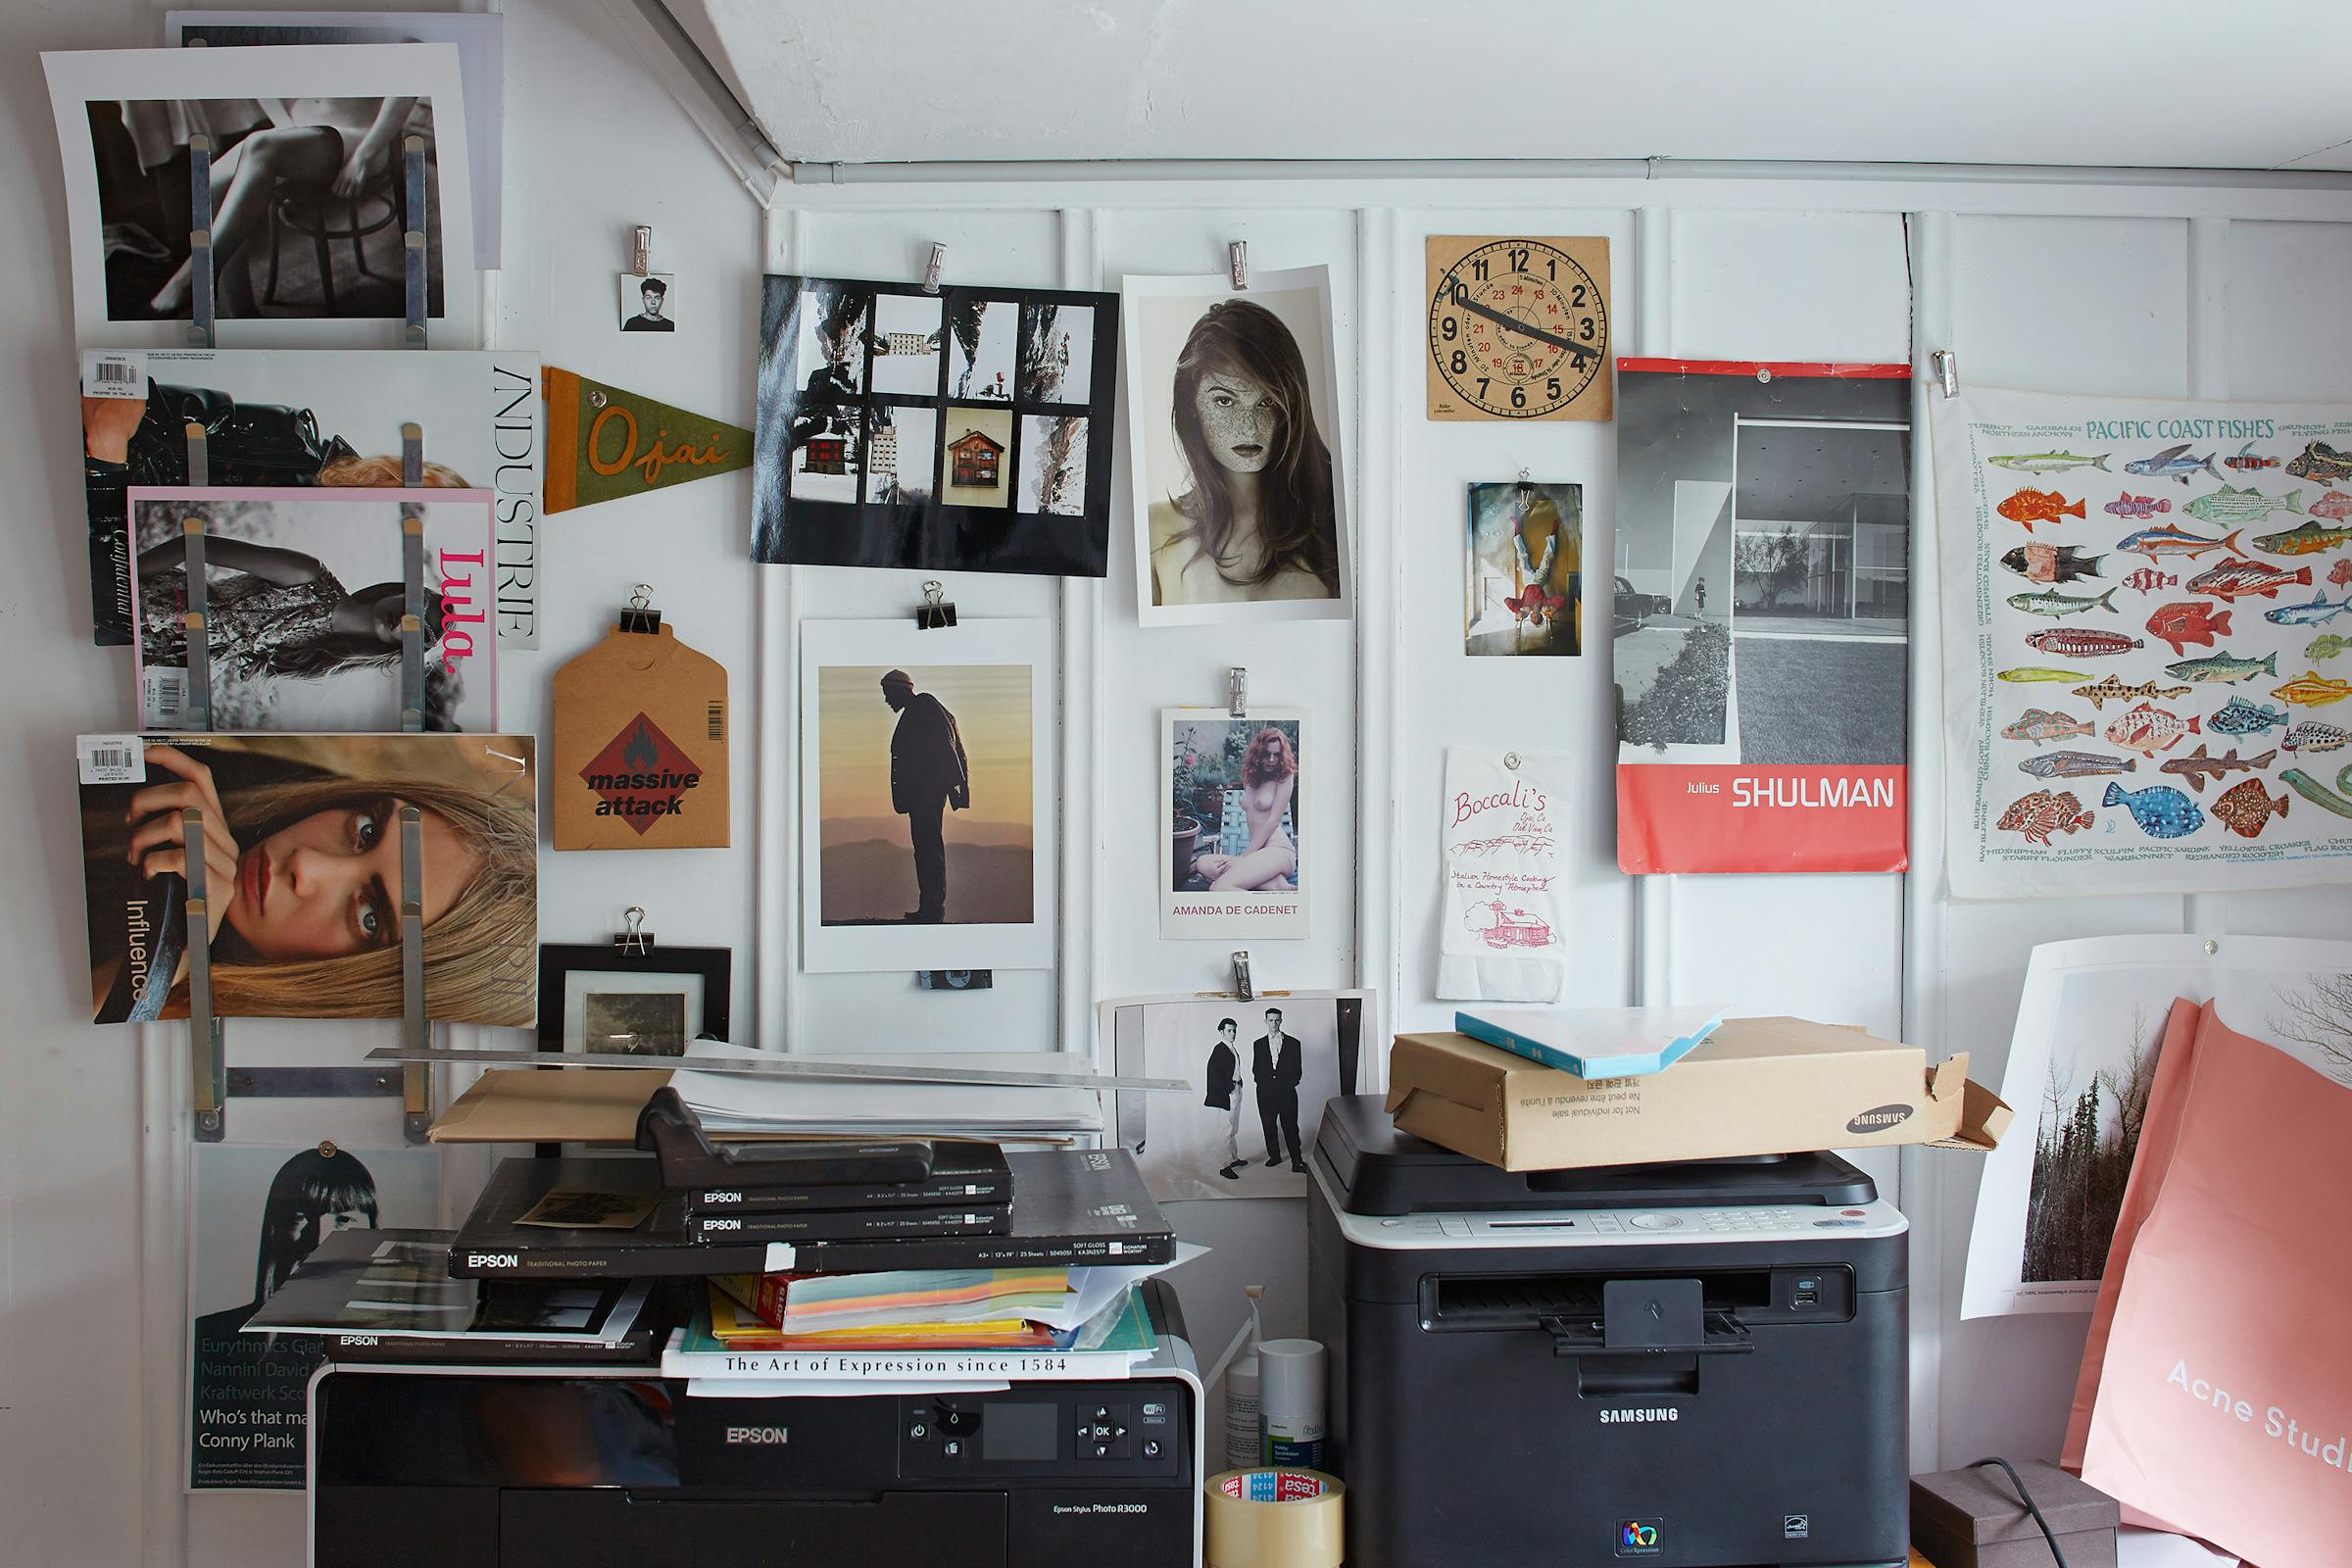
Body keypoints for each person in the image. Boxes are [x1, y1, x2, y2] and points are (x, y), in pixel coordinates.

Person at [87, 740, 536, 1024]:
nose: (307, 864)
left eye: (368, 917)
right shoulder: (199, 784)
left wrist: (156, 965)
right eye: (366, 830)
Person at [190, 1146, 379, 1486]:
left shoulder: (403, 1346)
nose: (319, 1239)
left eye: (344, 1219)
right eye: (301, 1217)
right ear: (274, 1229)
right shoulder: (209, 1336)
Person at [145, 97, 420, 319]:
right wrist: (289, 133)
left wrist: (365, 154)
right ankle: (242, 314)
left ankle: (194, 276)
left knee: (261, 146)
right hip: (301, 132)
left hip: (360, 137)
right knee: (212, 181)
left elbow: (409, 79)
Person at [1149, 300, 1341, 608]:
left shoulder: (1334, 521)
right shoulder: (1156, 529)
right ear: (1191, 406)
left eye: (1266, 403)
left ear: (1290, 407)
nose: (1248, 428)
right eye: (1225, 401)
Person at [136, 530, 449, 684]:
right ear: (400, 591)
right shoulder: (307, 575)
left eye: (419, 630)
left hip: (156, 659)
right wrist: (127, 577)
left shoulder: (319, 653)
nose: (407, 619)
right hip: (145, 605)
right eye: (414, 605)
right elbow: (192, 545)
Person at [879, 670, 969, 924]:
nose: (887, 700)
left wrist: (953, 786)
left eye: (888, 694)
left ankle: (932, 910)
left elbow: (945, 746)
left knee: (928, 848)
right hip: (925, 792)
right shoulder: (921, 709)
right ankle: (928, 907)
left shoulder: (924, 706)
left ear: (900, 690)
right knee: (926, 849)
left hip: (927, 793)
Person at [1190, 726, 1298, 893]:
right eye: (1267, 754)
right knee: (1203, 862)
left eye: (1277, 755)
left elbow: (1273, 820)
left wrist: (1243, 857)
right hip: (1258, 856)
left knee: (1219, 887)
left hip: (1278, 851)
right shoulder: (1250, 776)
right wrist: (1247, 859)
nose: (1271, 759)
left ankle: (1270, 911)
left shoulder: (1284, 776)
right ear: (1258, 752)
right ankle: (1277, 886)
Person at [1251, 1006, 1304, 1172]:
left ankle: (1297, 1160)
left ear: (1281, 1021)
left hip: (1287, 1093)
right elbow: (1256, 1069)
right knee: (1269, 1125)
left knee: (1290, 1126)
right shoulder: (1258, 1044)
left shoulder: (1294, 1043)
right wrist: (1265, 1085)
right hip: (1265, 1093)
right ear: (1265, 1021)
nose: (1274, 1023)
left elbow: (1297, 1070)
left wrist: (1286, 1085)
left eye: (1277, 1020)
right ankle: (1274, 1156)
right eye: (1270, 1020)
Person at [1203, 1017, 1247, 1180]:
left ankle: (1234, 1159)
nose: (1233, 1033)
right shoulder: (1220, 1049)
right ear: (1221, 1032)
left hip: (1235, 1090)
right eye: (1229, 1030)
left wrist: (1238, 1082)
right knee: (1225, 1129)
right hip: (1226, 1094)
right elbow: (1213, 1074)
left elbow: (1233, 1069)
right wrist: (1228, 1088)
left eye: (1234, 1030)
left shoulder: (1231, 1048)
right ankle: (1224, 1165)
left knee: (1233, 1128)